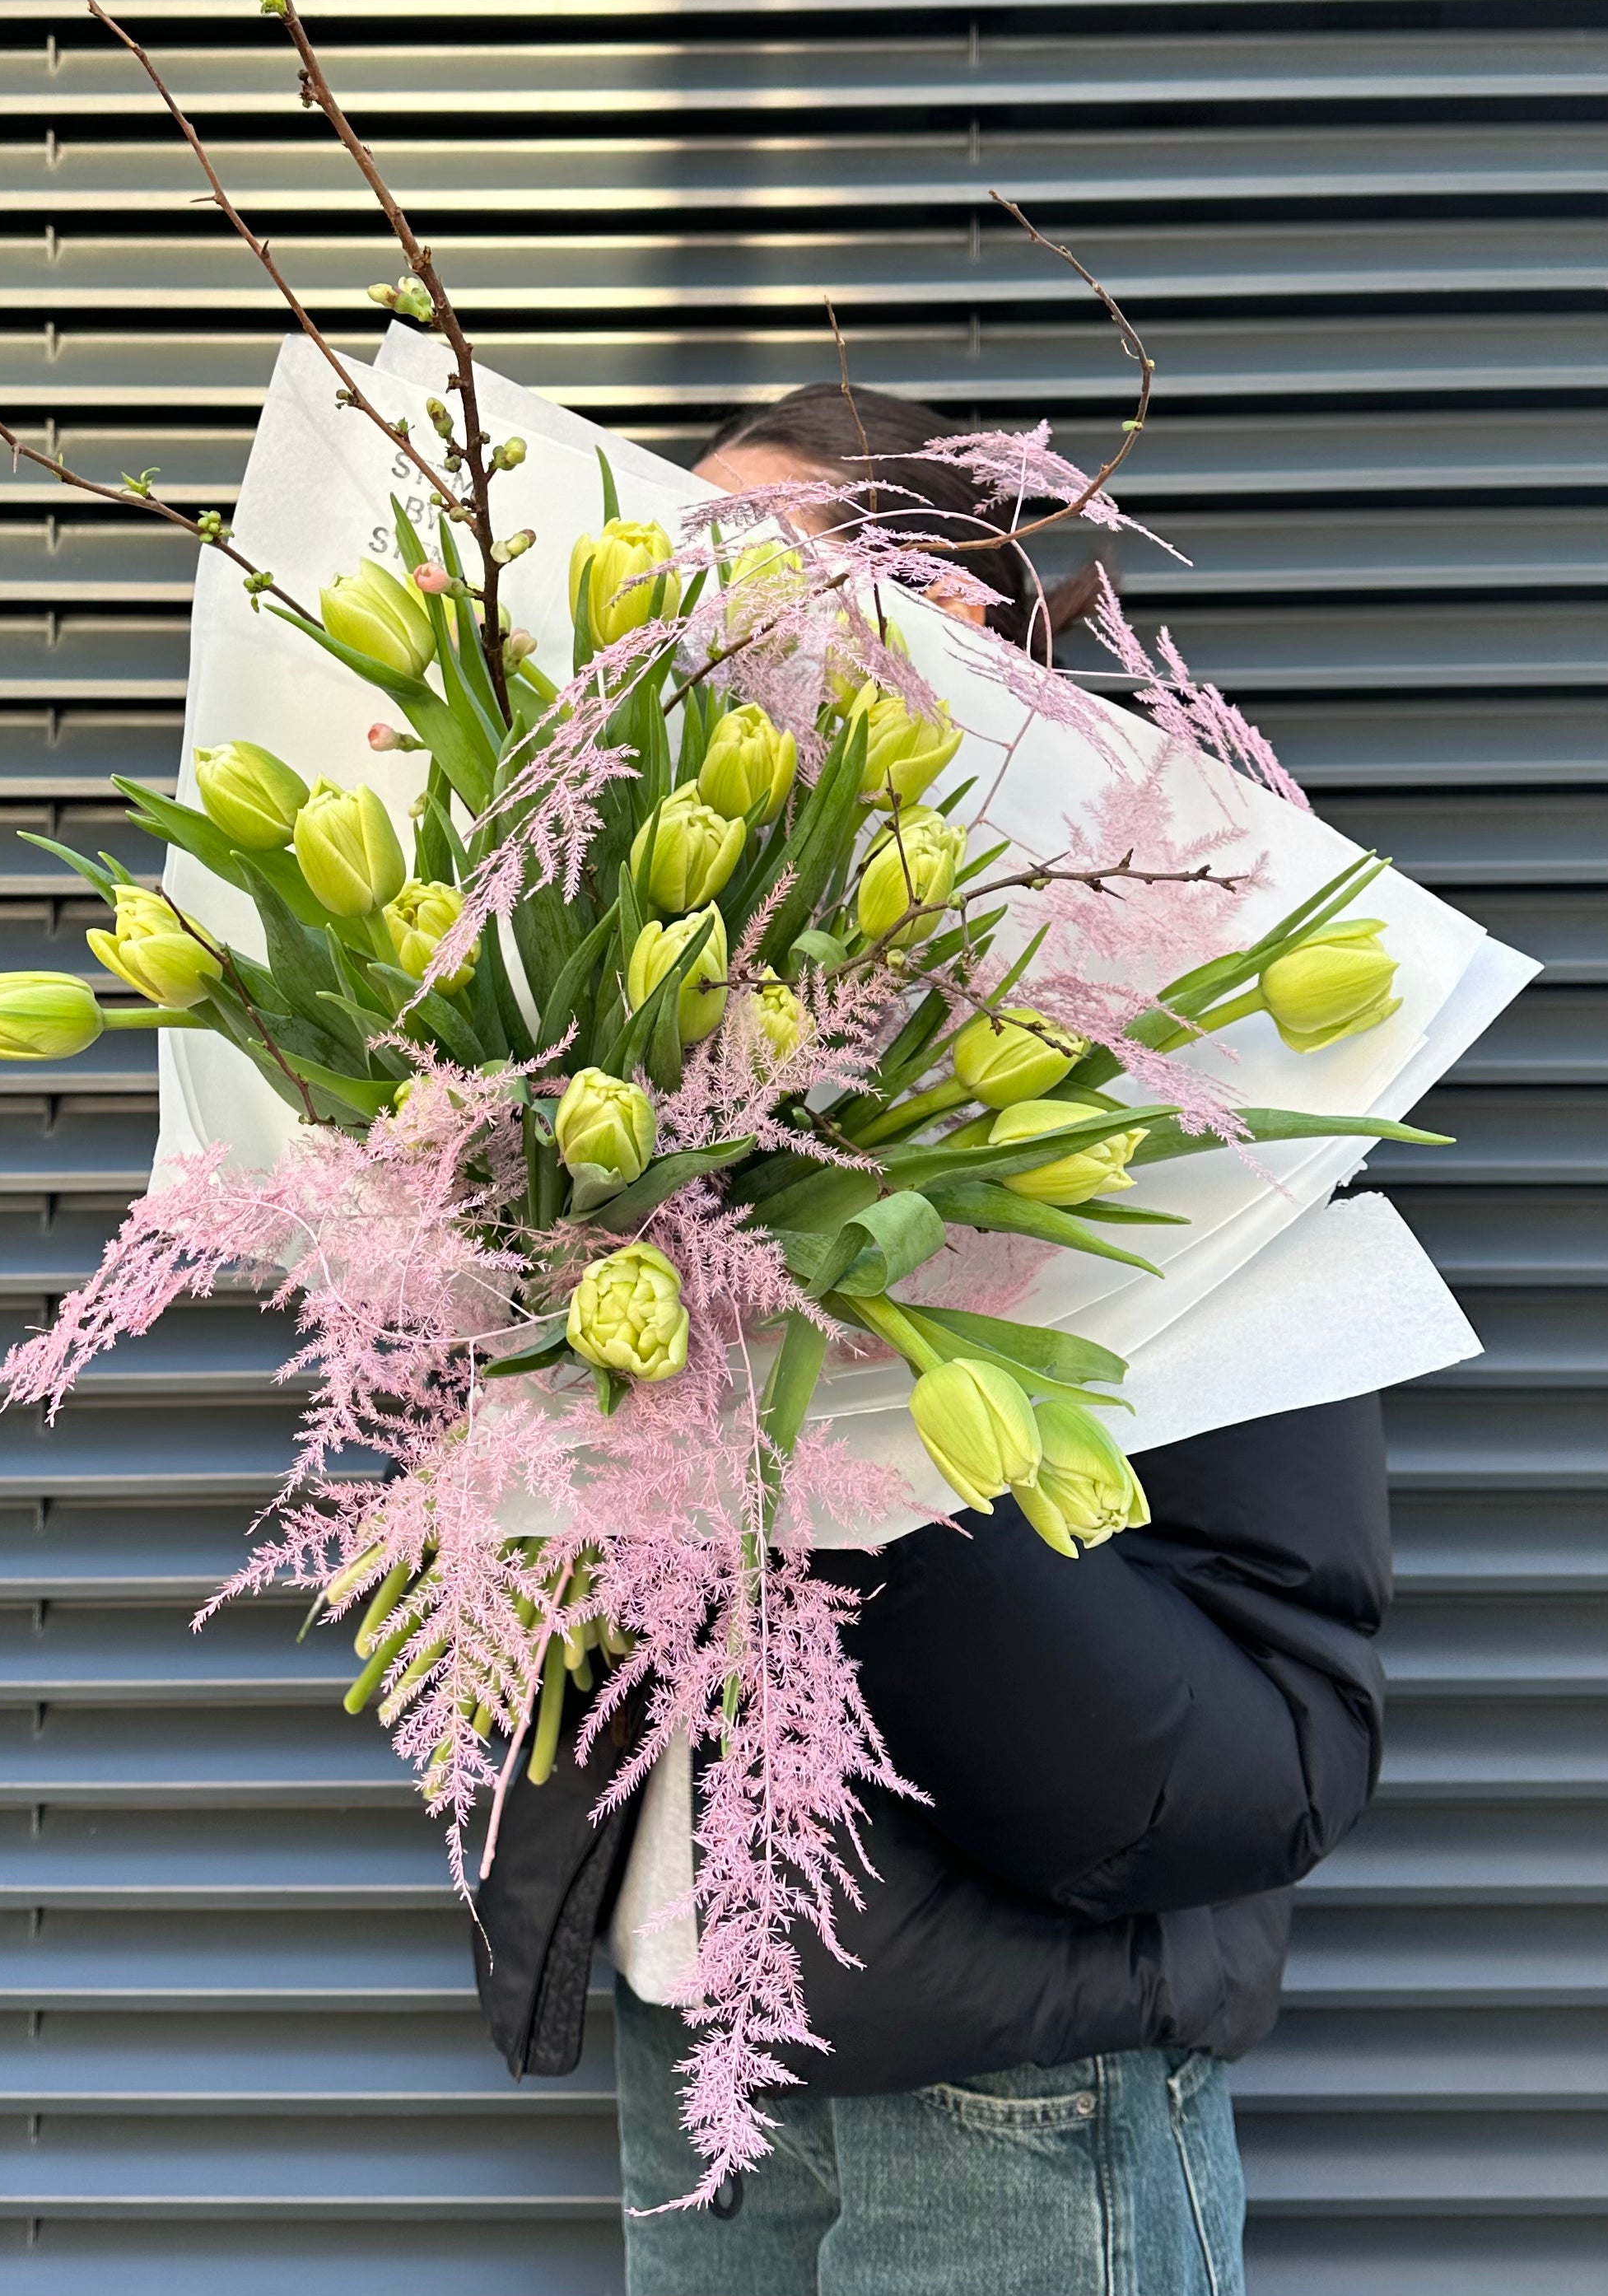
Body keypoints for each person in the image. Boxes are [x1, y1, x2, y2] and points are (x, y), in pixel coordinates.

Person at [471, 384, 1394, 2296]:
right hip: (694, 2032)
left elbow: (1262, 1749)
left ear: (951, 618)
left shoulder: (1134, 1025)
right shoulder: (636, 999)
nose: (675, 629)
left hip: (1010, 2083)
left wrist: (841, 1424)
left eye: (744, 576)